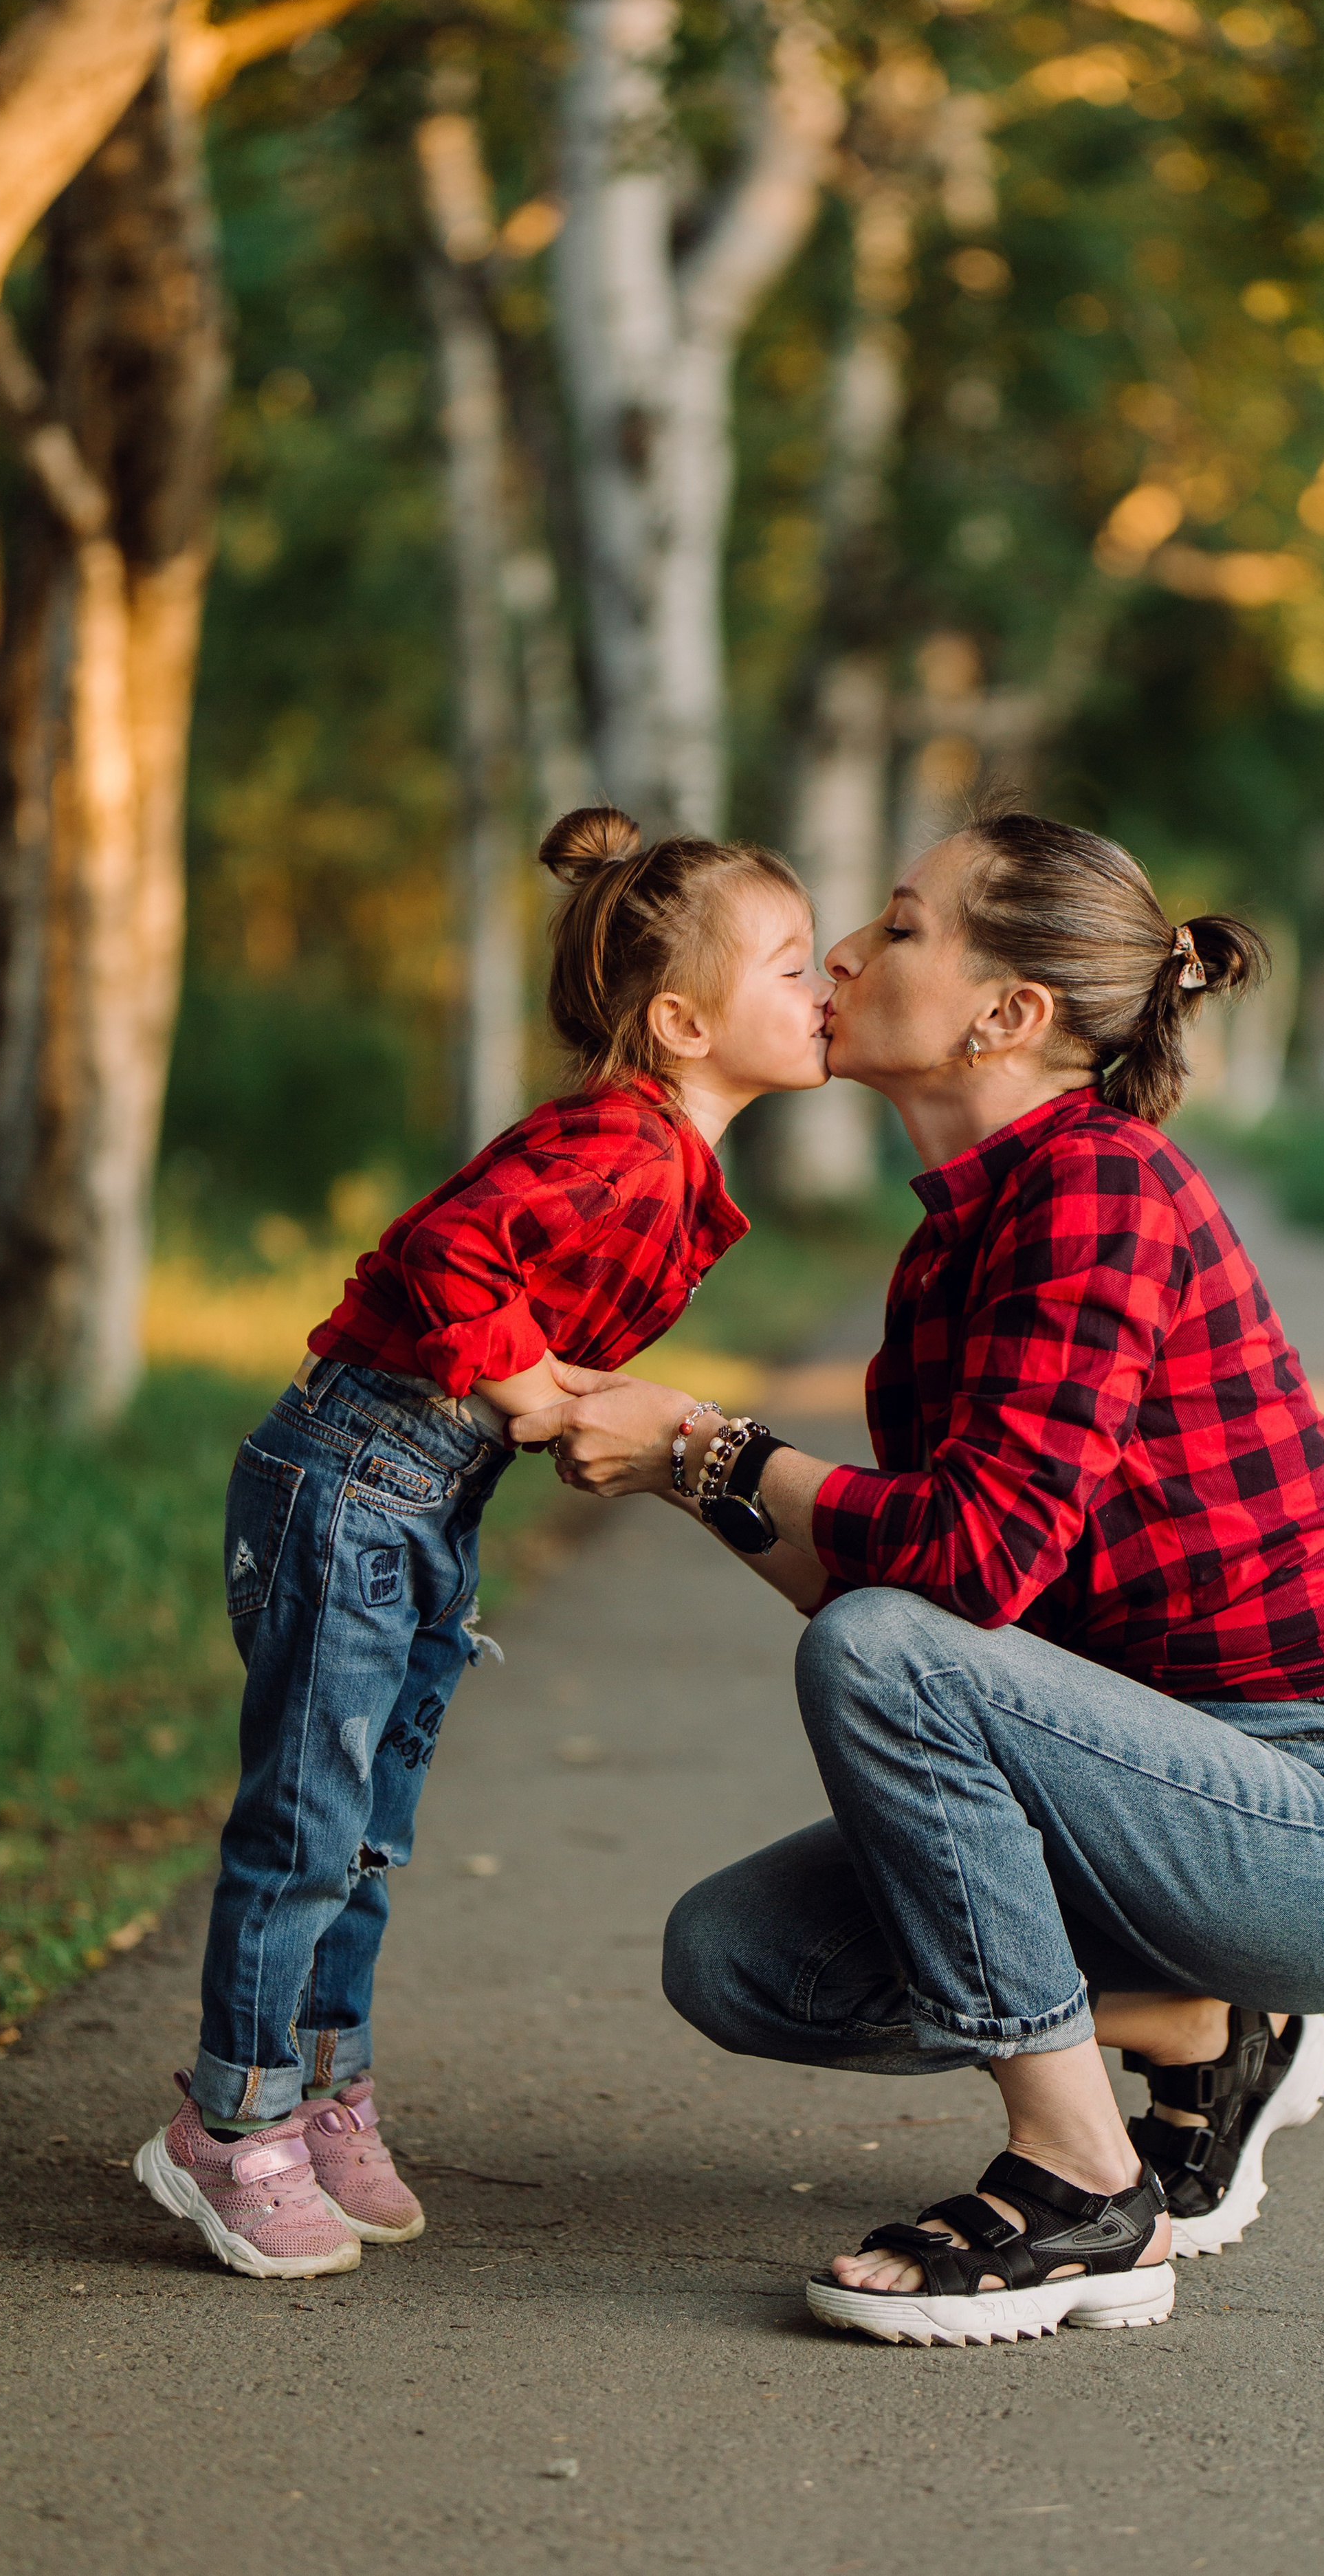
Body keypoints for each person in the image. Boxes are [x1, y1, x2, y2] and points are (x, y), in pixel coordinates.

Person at [511, 809, 1324, 2348]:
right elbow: (927, 1614)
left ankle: (1082, 2187)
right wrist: (679, 1473)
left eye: (899, 927)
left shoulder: (1099, 1186)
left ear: (1008, 1013)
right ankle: (1202, 2024)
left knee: (885, 1643)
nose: (844, 954)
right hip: (1145, 1794)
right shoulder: (954, 1245)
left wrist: (711, 1442)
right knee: (741, 1961)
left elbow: (955, 1570)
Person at [132, 806, 830, 2280]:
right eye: (792, 965)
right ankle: (229, 2121)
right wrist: (526, 1388)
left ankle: (322, 2090)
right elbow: (446, 1248)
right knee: (307, 1825)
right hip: (351, 1482)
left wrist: (562, 1394)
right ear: (683, 1022)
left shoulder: (662, 1159)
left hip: (419, 1498)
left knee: (365, 1833)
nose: (824, 983)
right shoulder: (623, 1144)